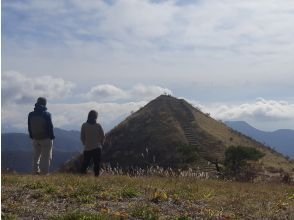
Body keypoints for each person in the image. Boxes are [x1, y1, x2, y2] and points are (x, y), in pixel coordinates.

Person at [28, 97, 55, 175]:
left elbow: (29, 126)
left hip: (35, 138)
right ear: (45, 104)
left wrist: (32, 136)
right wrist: (52, 137)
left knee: (36, 156)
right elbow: (50, 127)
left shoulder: (31, 114)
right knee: (45, 157)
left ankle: (34, 172)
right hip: (46, 138)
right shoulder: (47, 114)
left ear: (37, 103)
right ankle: (44, 173)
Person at [80, 110, 105, 176]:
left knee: (85, 164)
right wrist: (100, 143)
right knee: (97, 164)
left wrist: (85, 143)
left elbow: (82, 137)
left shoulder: (84, 125)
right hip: (97, 147)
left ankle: (82, 177)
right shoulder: (98, 125)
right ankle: (96, 178)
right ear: (95, 117)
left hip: (87, 148)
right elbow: (102, 136)